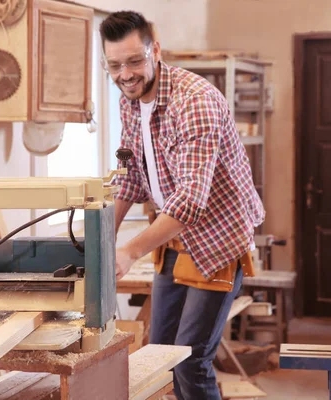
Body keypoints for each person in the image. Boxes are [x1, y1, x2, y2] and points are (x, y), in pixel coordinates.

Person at [100, 10, 265, 400]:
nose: (125, 74)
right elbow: (131, 176)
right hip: (174, 241)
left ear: (155, 51)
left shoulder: (195, 101)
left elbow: (191, 199)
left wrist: (129, 251)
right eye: (114, 65)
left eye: (135, 61)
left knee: (190, 360)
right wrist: (101, 238)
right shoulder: (131, 100)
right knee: (161, 357)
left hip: (217, 239)